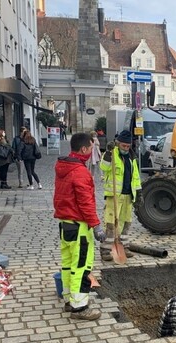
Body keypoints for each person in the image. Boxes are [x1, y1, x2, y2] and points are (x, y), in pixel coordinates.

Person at [53, 132, 106, 321]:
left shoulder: (64, 167)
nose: (93, 152)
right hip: (79, 227)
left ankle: (69, 300)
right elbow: (86, 203)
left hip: (65, 224)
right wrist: (96, 225)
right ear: (84, 149)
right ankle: (80, 307)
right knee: (82, 266)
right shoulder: (80, 172)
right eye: (91, 148)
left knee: (67, 265)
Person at [99, 130, 141, 261]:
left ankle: (123, 246)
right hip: (114, 195)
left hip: (128, 195)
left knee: (125, 222)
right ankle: (106, 249)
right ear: (118, 144)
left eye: (128, 146)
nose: (126, 148)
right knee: (111, 223)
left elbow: (136, 176)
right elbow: (103, 167)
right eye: (124, 146)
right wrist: (107, 152)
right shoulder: (112, 154)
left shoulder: (132, 157)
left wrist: (139, 193)